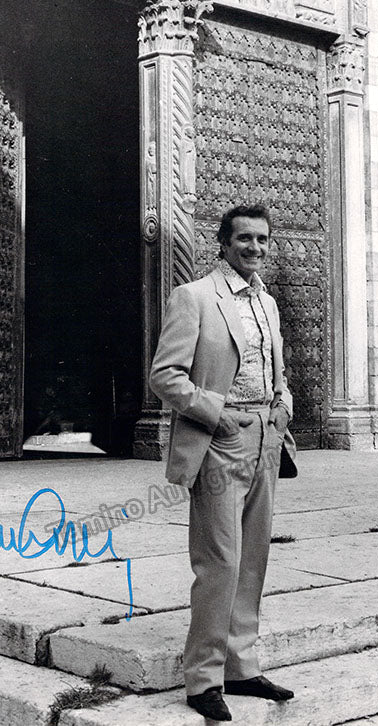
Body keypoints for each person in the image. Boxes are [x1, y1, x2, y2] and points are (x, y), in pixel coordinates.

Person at [149, 204, 297, 721]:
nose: (254, 248)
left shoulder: (268, 303)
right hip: (219, 441)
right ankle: (204, 679)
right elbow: (165, 376)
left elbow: (277, 370)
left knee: (253, 557)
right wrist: (219, 415)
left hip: (267, 440)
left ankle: (241, 666)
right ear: (223, 243)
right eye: (244, 239)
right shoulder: (193, 297)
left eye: (262, 239)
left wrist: (283, 405)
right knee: (220, 561)